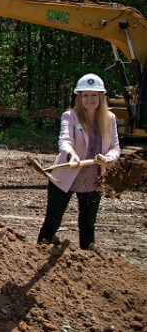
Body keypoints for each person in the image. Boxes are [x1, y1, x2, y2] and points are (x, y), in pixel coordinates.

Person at [37, 73, 120, 250]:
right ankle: (38, 252)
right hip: (65, 176)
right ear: (79, 97)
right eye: (85, 95)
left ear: (101, 97)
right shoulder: (70, 116)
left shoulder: (110, 119)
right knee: (53, 220)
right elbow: (64, 140)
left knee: (87, 225)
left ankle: (88, 263)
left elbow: (115, 147)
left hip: (93, 179)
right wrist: (71, 155)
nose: (89, 99)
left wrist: (108, 159)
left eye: (94, 95)